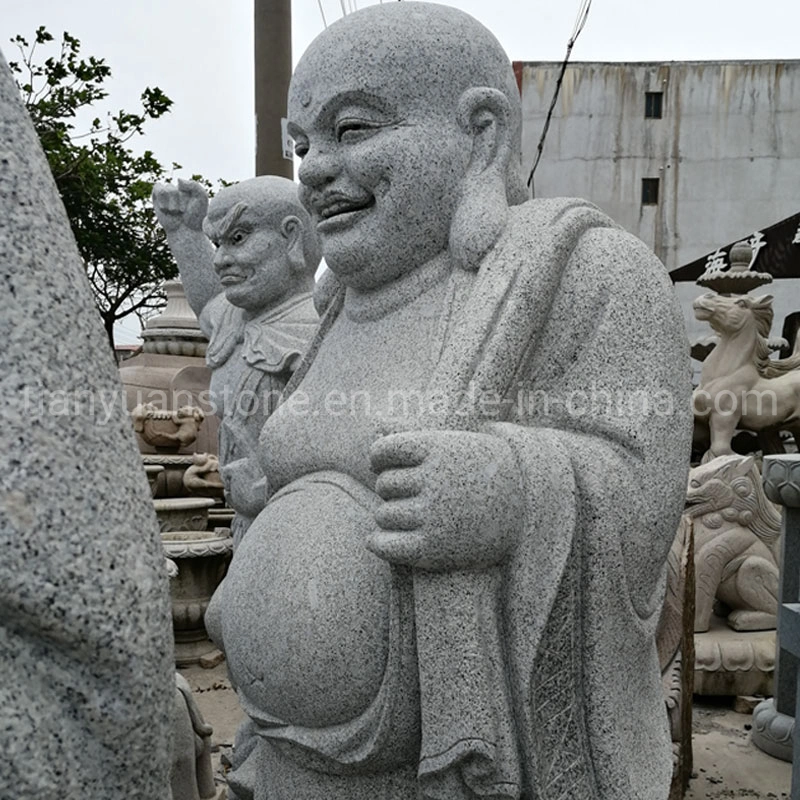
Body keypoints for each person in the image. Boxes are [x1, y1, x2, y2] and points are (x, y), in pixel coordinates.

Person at [217, 4, 692, 800]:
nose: (314, 169)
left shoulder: (582, 274)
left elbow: (644, 498)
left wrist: (510, 487)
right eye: (304, 144)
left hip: (462, 771)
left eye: (353, 129)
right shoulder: (338, 311)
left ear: (480, 131)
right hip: (288, 763)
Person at [153, 177, 320, 541]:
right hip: (244, 523)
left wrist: (268, 485)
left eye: (238, 238)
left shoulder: (317, 329)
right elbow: (207, 303)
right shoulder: (234, 319)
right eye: (217, 244)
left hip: (303, 527)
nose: (220, 259)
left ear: (291, 237)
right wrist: (183, 234)